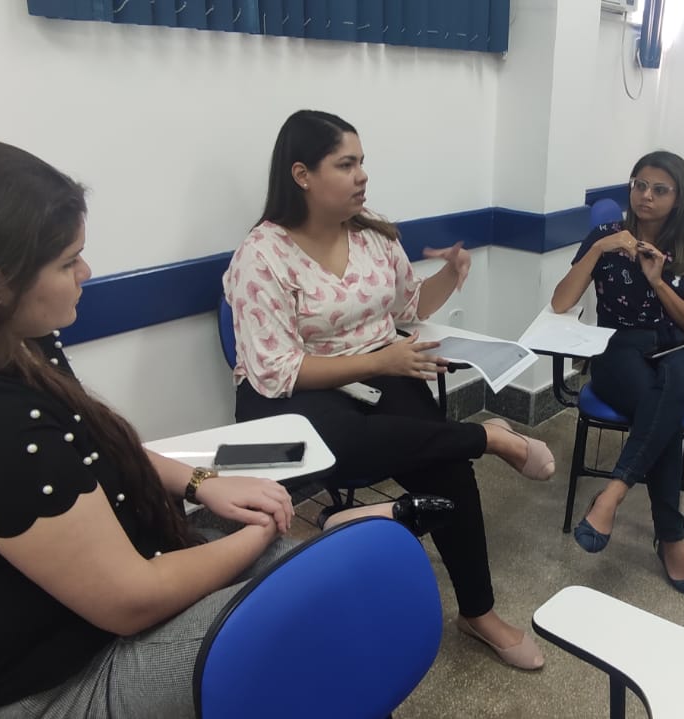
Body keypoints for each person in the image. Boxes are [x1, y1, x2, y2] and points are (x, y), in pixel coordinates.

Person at [0, 138, 445, 717]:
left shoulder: (8, 341)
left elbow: (90, 448)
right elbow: (132, 600)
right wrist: (260, 534)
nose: (86, 272)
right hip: (61, 683)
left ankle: (332, 543)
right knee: (313, 613)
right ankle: (334, 541)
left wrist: (201, 481)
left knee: (315, 586)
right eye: (68, 262)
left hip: (93, 614)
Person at [225, 109, 552, 670]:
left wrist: (451, 275)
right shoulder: (262, 255)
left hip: (381, 370)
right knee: (357, 440)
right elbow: (277, 370)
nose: (361, 176)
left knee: (447, 466)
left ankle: (478, 613)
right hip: (293, 394)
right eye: (346, 164)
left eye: (362, 162)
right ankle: (485, 437)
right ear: (302, 175)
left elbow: (406, 308)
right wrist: (380, 360)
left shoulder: (374, 235)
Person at [549, 150, 684, 597]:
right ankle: (673, 539)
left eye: (660, 190)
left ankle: (612, 493)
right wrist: (601, 248)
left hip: (676, 346)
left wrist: (658, 281)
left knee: (678, 383)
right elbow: (560, 303)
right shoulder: (605, 235)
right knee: (664, 414)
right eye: (639, 185)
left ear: (678, 198)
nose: (646, 196)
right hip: (617, 346)